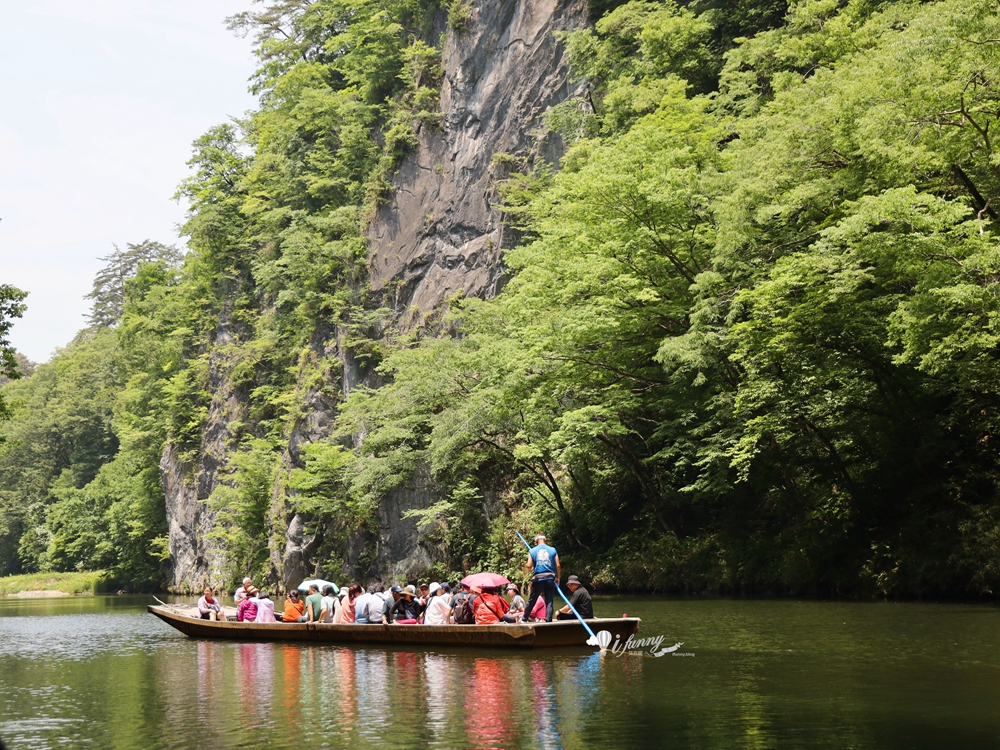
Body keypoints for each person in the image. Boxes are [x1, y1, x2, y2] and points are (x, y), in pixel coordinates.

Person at [521, 532, 560, 623]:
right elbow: (558, 565)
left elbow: (529, 565)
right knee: (549, 601)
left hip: (538, 578)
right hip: (550, 578)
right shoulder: (553, 550)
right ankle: (549, 620)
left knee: (532, 599)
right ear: (545, 540)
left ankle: (524, 619)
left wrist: (528, 567)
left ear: (536, 541)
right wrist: (558, 577)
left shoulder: (532, 551)